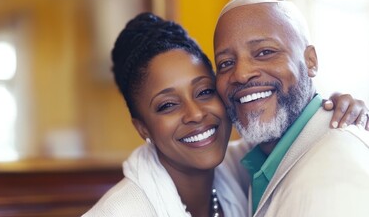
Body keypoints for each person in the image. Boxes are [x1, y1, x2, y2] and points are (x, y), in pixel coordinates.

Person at [83, 11, 368, 217]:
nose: (195, 114)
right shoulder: (121, 211)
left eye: (204, 92)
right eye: (167, 105)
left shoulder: (240, 168)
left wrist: (331, 108)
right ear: (142, 127)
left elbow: (288, 132)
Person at [214, 0, 369, 217]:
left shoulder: (338, 171)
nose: (242, 74)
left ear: (310, 61)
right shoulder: (251, 158)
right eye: (226, 63)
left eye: (265, 52)